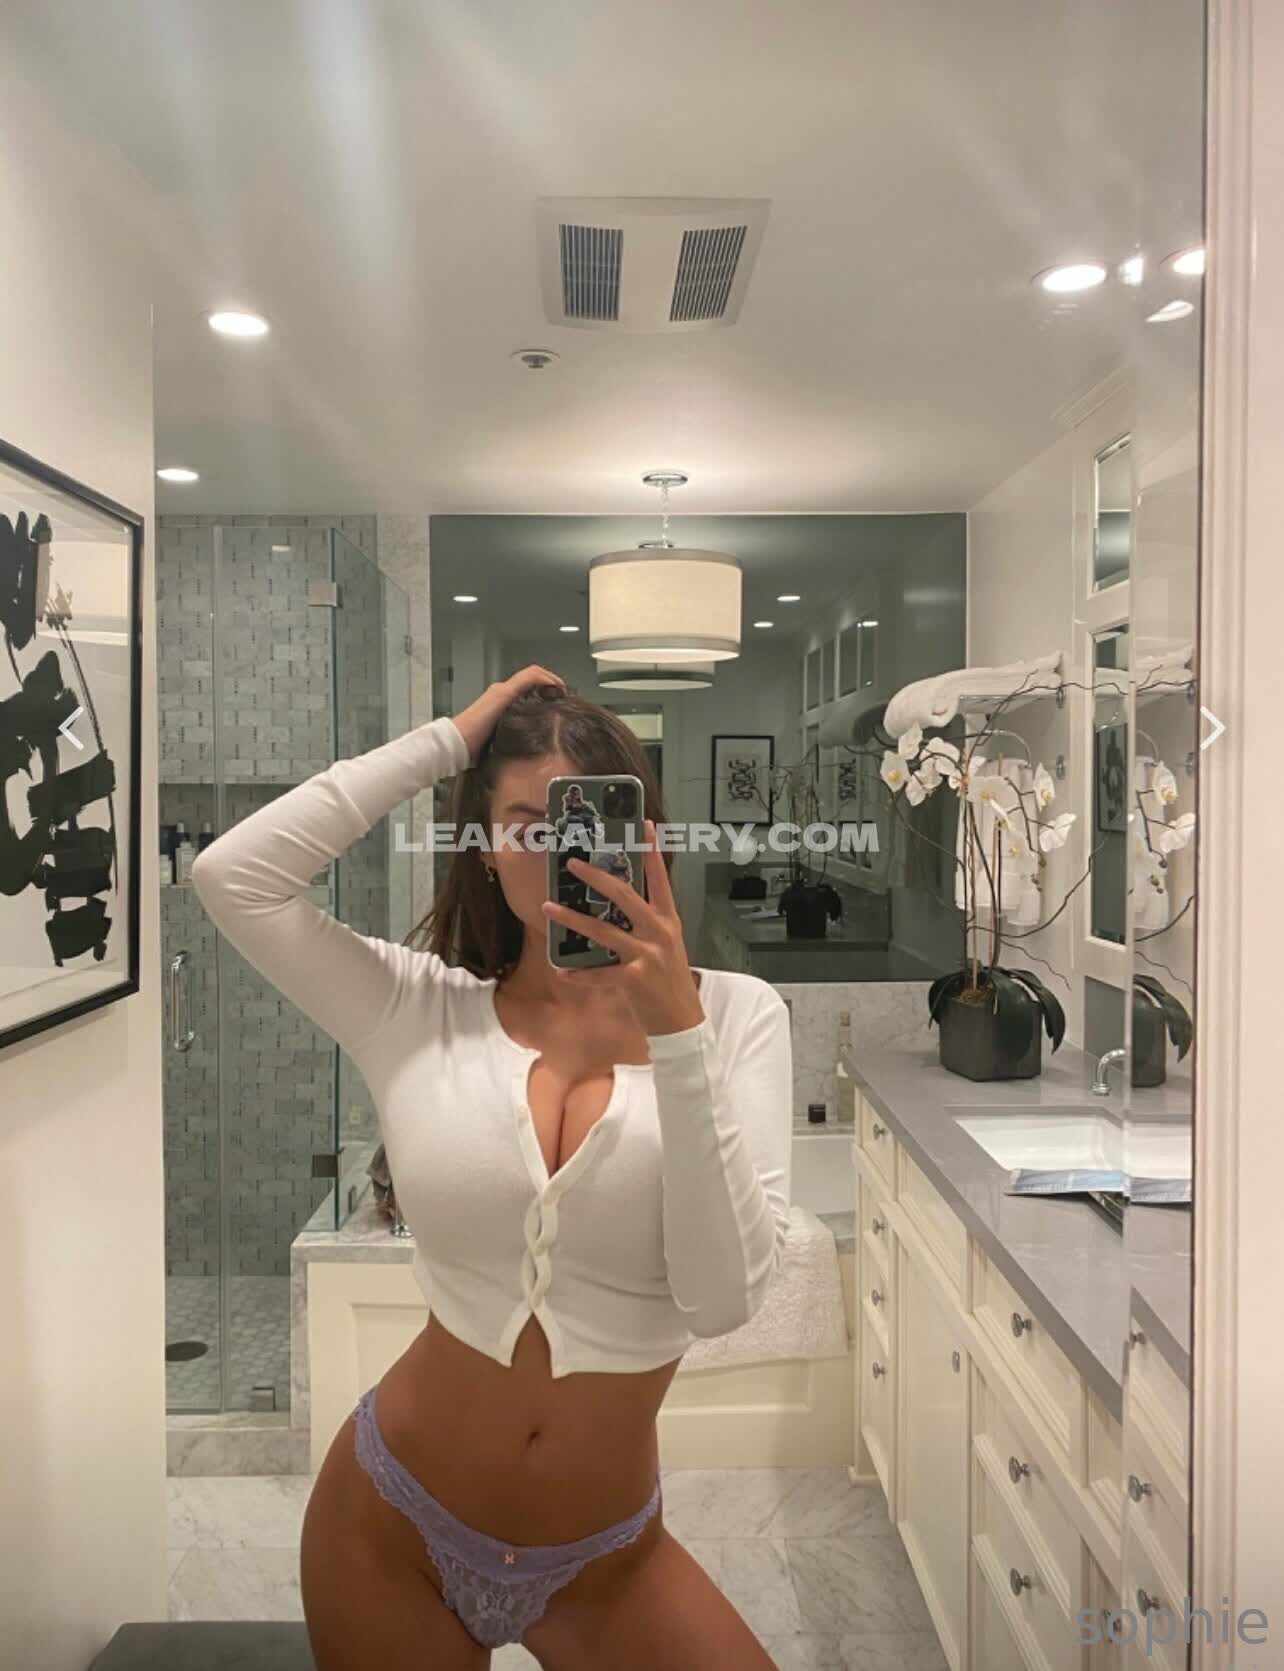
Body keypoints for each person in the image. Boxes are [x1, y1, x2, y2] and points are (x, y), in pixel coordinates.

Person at [191, 665, 792, 1670]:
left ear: (645, 836)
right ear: (481, 842)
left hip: (608, 1561)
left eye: (586, 821)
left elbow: (721, 1298)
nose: (557, 848)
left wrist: (678, 1035)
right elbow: (232, 878)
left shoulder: (735, 1018)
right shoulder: (413, 1007)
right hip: (389, 1526)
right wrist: (449, 741)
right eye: (523, 823)